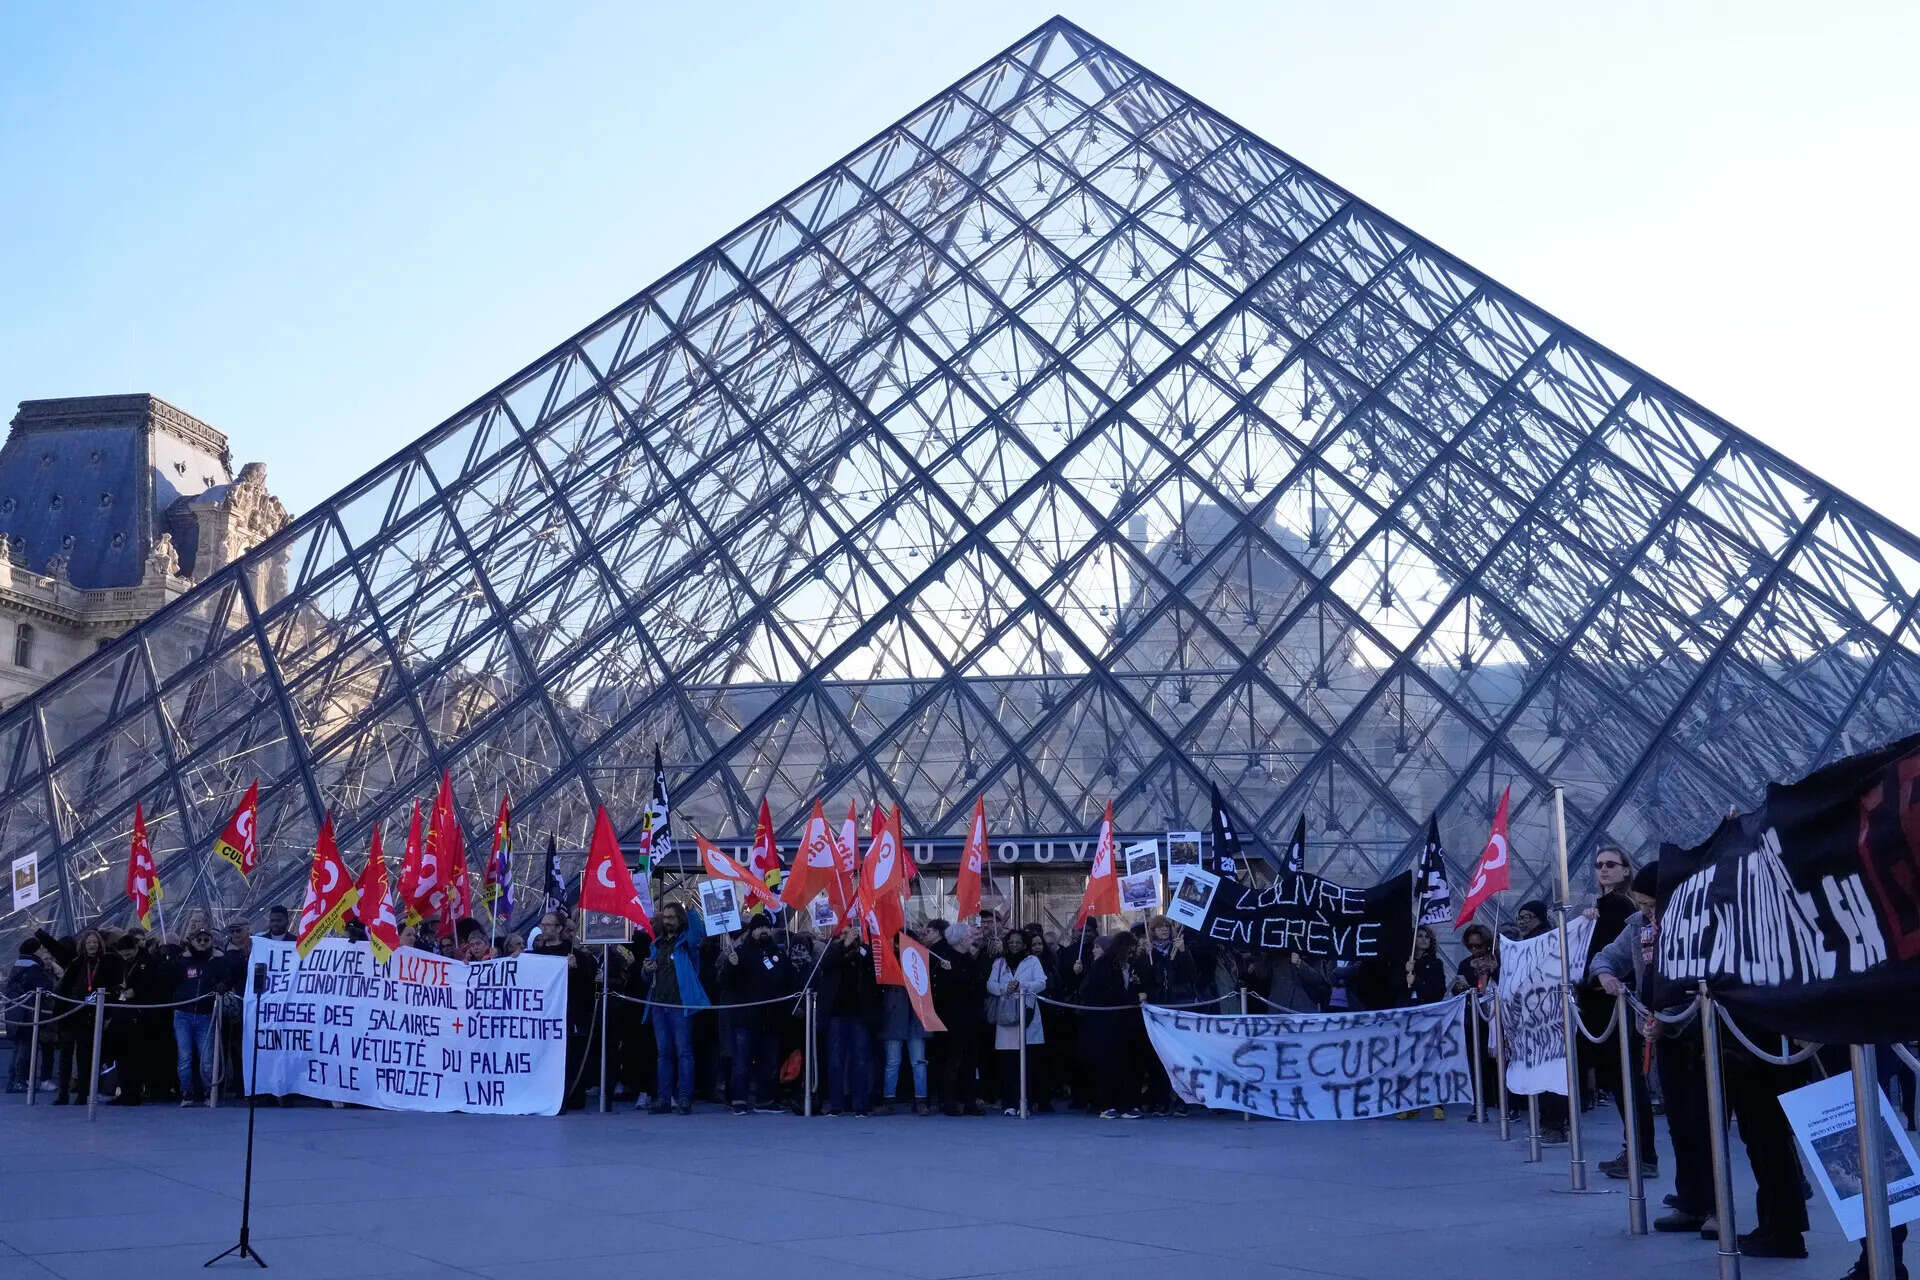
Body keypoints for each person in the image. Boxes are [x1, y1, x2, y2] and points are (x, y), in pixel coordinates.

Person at [1585, 865, 1659, 1182]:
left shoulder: (1684, 922)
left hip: (1686, 1024)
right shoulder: (1635, 924)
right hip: (1643, 1021)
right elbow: (1604, 957)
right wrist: (1604, 972)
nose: (1648, 911)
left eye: (1652, 905)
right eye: (1642, 904)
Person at [715, 912, 795, 1115]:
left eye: (766, 927)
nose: (764, 931)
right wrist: (731, 966)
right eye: (759, 927)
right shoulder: (741, 953)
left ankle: (765, 1099)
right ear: (752, 931)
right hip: (746, 1018)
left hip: (771, 1019)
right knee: (742, 1061)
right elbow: (726, 983)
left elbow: (789, 980)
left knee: (769, 1062)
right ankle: (739, 1099)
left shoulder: (778, 953)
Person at [641, 901, 708, 1115]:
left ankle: (685, 1099)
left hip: (680, 1005)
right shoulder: (657, 944)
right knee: (663, 1054)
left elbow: (698, 934)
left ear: (680, 920)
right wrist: (647, 969)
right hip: (659, 1005)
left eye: (672, 917)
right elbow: (646, 975)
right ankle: (664, 1099)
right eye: (665, 917)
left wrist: (690, 910)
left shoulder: (687, 944)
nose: (667, 921)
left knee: (684, 1053)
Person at [49, 928, 121, 1105]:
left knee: (84, 1056)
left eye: (95, 943)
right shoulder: (76, 963)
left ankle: (83, 1093)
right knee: (65, 1055)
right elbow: (65, 984)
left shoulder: (106, 963)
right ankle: (63, 1093)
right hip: (71, 1014)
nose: (92, 946)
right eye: (89, 943)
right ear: (83, 945)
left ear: (100, 945)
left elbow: (113, 985)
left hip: (88, 1016)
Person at [1078, 930, 1143, 1118]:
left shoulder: (1131, 966)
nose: (1133, 953)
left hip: (1125, 1022)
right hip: (1105, 1022)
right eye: (1130, 949)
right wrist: (1130, 996)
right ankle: (1105, 1104)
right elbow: (1096, 992)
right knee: (1107, 1065)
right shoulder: (1104, 965)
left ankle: (1126, 1103)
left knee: (1125, 1064)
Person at [818, 922, 878, 1116]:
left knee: (860, 1060)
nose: (847, 935)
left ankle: (860, 1104)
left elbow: (872, 965)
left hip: (859, 1014)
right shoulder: (833, 950)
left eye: (850, 932)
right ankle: (836, 1104)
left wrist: (858, 946)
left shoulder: (864, 952)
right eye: (843, 933)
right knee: (836, 1060)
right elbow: (826, 964)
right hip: (837, 1015)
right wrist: (844, 945)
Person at [986, 928, 1046, 1116]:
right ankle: (1010, 1102)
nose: (1014, 945)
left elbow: (1042, 982)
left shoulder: (1033, 961)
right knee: (1009, 1062)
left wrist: (1022, 987)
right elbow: (990, 985)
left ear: (1024, 944)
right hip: (1006, 1016)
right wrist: (1006, 988)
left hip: (1026, 1013)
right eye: (1011, 941)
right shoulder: (999, 962)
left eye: (1018, 942)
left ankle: (1025, 1102)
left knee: (1026, 1061)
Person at [929, 921, 986, 1115]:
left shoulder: (970, 958)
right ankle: (950, 1102)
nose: (972, 937)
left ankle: (969, 1101)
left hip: (971, 1017)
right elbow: (942, 992)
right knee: (952, 1061)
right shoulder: (946, 960)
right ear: (960, 939)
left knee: (971, 1061)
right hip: (952, 1019)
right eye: (969, 935)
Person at [165, 926, 226, 1106]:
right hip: (183, 1014)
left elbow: (227, 977)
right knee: (185, 1057)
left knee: (207, 1059)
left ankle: (209, 1091)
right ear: (191, 941)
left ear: (211, 941)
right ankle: (186, 1092)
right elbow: (169, 979)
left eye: (205, 939)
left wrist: (222, 984)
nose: (201, 943)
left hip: (206, 1015)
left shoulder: (218, 961)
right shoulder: (182, 961)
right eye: (198, 939)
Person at [1398, 925, 1449, 1120]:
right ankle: (1411, 1103)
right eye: (1419, 936)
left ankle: (1438, 1104)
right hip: (1408, 1015)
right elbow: (1397, 989)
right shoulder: (1406, 963)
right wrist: (1405, 975)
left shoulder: (1435, 964)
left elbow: (1437, 991)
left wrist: (1416, 979)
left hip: (1428, 1016)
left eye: (1427, 937)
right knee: (1408, 1060)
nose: (1424, 939)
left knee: (1430, 1059)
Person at [877, 931, 930, 1115]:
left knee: (919, 1062)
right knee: (893, 1062)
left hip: (915, 1018)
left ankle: (921, 1099)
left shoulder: (920, 961)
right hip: (894, 1018)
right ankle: (888, 1099)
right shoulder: (888, 964)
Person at [4, 939, 55, 1093]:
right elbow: (45, 987)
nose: (43, 952)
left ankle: (13, 1080)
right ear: (36, 950)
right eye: (41, 949)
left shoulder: (18, 964)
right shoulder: (33, 967)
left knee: (18, 1047)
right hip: (28, 1012)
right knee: (26, 1047)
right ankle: (20, 1080)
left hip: (14, 1011)